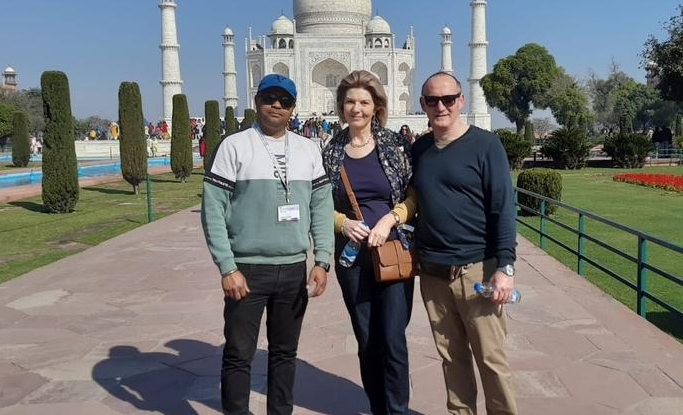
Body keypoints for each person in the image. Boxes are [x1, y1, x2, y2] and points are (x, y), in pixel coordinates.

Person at [201, 73, 334, 415]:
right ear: (257, 100)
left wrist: (322, 260)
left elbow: (321, 207)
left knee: (285, 354)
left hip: (293, 270)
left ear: (294, 107)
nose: (277, 104)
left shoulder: (307, 149)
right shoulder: (235, 146)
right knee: (238, 354)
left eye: (285, 100)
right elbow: (213, 211)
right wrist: (227, 267)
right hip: (247, 270)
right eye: (270, 97)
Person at [408, 71, 519, 414]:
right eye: (432, 100)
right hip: (434, 274)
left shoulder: (486, 145)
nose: (440, 106)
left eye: (448, 99)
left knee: (491, 359)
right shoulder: (420, 149)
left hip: (477, 272)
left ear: (461, 100)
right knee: (451, 359)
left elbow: (502, 207)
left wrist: (505, 267)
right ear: (422, 104)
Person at [322, 70, 415, 415]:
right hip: (353, 259)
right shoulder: (331, 151)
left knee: (392, 340)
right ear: (341, 106)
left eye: (364, 102)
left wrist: (392, 218)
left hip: (392, 251)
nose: (356, 109)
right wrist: (343, 223)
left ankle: (397, 410)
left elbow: (413, 195)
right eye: (350, 102)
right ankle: (379, 407)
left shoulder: (394, 145)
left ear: (376, 106)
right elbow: (319, 204)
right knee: (366, 341)